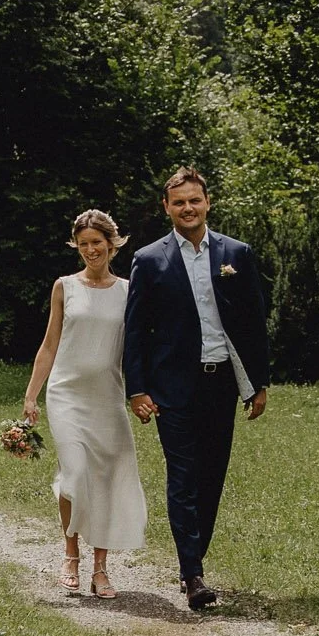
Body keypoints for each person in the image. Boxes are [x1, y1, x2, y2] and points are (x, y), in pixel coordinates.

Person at [121, 168, 270, 610]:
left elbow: (252, 321)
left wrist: (258, 383)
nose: (188, 208)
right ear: (166, 207)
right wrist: (138, 389)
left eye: (195, 200)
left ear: (207, 203)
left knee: (211, 477)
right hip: (172, 389)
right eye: (179, 202)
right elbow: (135, 331)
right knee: (183, 477)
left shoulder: (236, 254)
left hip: (221, 383)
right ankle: (193, 575)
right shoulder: (149, 260)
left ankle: (193, 557)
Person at [22, 209, 147, 599]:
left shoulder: (128, 290)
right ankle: (71, 554)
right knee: (75, 476)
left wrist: (143, 392)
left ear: (112, 244)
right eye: (83, 244)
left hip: (107, 397)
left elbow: (140, 349)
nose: (90, 250)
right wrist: (31, 394)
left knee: (106, 480)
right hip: (66, 394)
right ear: (76, 246)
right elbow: (49, 343)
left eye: (97, 243)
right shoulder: (64, 286)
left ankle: (101, 568)